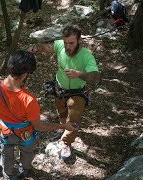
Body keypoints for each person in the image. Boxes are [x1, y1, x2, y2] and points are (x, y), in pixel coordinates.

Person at [0, 50, 77, 180]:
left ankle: (9, 175)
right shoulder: (28, 100)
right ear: (24, 74)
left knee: (7, 156)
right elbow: (39, 126)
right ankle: (27, 169)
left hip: (4, 131)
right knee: (27, 152)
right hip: (25, 134)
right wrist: (64, 126)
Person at [27, 24, 100, 159]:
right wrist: (37, 48)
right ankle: (63, 126)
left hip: (77, 93)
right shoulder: (61, 44)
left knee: (74, 118)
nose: (68, 46)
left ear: (79, 41)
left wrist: (79, 74)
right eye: (66, 43)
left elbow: (95, 77)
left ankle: (66, 142)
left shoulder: (86, 56)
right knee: (61, 111)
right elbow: (48, 47)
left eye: (71, 43)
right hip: (59, 88)